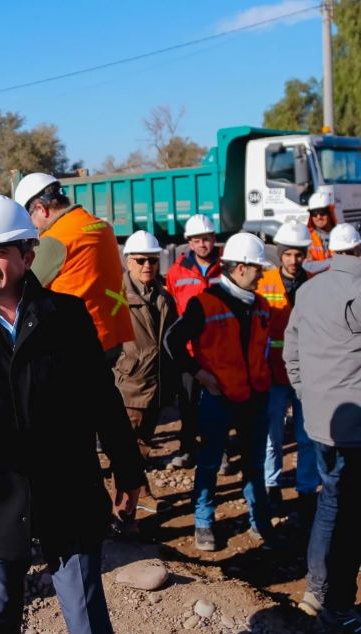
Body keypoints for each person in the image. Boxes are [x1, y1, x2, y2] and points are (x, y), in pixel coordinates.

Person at [0, 195, 145, 634]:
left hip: (70, 496)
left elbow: (102, 400)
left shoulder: (67, 317)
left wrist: (128, 470)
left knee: (88, 622)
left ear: (28, 257)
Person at [163, 233, 275, 552]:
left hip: (254, 396)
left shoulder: (261, 305)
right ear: (240, 268)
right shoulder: (205, 303)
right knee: (210, 461)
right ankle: (204, 522)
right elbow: (172, 341)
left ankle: (260, 521)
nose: (262, 274)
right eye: (257, 268)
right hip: (218, 398)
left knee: (253, 463)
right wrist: (200, 373)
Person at [286, 221, 361, 634]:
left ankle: (316, 589)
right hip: (354, 426)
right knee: (348, 516)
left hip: (321, 422)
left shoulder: (308, 290)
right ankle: (339, 606)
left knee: (330, 503)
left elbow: (291, 351)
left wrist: (307, 394)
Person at [14, 174, 134, 365]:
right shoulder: (101, 227)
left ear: (41, 209)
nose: (32, 227)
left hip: (79, 343)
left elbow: (20, 289)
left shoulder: (56, 239)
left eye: (30, 219)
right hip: (112, 336)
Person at [114, 231, 178, 516]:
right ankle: (122, 513)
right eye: (140, 260)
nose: (147, 266)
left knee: (142, 448)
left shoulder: (164, 297)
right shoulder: (114, 296)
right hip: (129, 389)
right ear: (128, 261)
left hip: (155, 387)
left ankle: (138, 497)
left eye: (152, 260)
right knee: (127, 455)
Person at [256, 221, 318, 515]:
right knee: (273, 435)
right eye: (289, 254)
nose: (294, 260)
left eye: (299, 254)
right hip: (274, 373)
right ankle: (272, 485)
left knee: (307, 435)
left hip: (307, 374)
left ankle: (306, 488)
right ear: (280, 254)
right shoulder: (264, 282)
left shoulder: (316, 283)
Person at [165, 214, 223, 469]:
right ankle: (187, 448)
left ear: (214, 239)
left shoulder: (225, 268)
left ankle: (219, 451)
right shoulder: (176, 271)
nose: (203, 245)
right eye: (197, 240)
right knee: (187, 403)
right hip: (187, 351)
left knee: (217, 403)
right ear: (189, 242)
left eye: (207, 239)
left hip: (217, 349)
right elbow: (171, 306)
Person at [303, 191, 336, 274]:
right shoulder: (306, 237)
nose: (319, 217)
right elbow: (307, 266)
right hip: (316, 283)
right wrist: (331, 262)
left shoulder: (341, 235)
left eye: (322, 212)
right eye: (314, 213)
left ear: (330, 212)